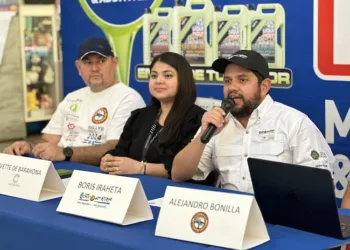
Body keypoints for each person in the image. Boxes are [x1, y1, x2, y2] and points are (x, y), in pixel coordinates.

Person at [172, 50, 335, 193]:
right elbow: (178, 174)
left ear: (264, 87)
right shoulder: (217, 124)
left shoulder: (294, 122)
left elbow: (320, 188)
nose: (232, 87)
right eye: (227, 81)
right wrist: (202, 136)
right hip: (230, 217)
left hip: (278, 221)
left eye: (242, 80)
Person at [3, 37, 145, 166]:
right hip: (58, 168)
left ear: (114, 63)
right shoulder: (72, 98)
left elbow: (114, 149)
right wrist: (29, 146)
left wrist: (64, 153)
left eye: (101, 61)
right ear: (78, 67)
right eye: (88, 62)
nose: (94, 68)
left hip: (97, 174)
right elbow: (48, 141)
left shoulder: (128, 98)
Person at [100, 52, 205, 178]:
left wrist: (140, 168)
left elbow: (182, 170)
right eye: (154, 76)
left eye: (168, 75)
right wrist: (109, 158)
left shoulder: (198, 119)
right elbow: (121, 150)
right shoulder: (140, 116)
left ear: (183, 80)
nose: (159, 81)